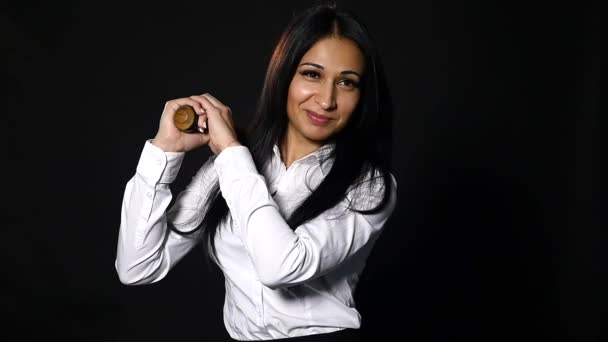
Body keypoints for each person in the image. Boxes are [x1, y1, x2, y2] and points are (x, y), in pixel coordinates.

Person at [115, 2, 397, 341]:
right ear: (285, 75)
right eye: (312, 74)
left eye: (347, 82)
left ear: (362, 95)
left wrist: (230, 153)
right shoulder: (235, 165)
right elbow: (137, 267)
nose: (326, 100)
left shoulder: (369, 185)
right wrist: (163, 152)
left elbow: (280, 266)